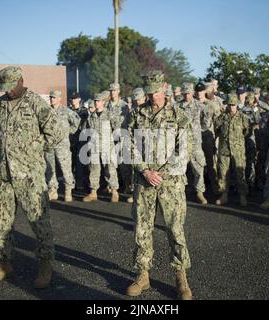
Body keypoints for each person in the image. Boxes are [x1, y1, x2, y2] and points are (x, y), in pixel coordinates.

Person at [0, 66, 63, 289]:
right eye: (5, 88)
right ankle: (4, 264)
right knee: (1, 223)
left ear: (21, 81)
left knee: (39, 221)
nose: (9, 92)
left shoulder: (34, 102)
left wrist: (34, 148)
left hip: (29, 176)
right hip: (2, 175)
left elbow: (56, 132)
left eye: (12, 87)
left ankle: (45, 265)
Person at [126, 70, 193, 300]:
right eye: (149, 92)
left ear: (164, 87)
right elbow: (128, 144)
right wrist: (145, 170)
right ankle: (142, 275)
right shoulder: (137, 115)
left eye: (156, 91)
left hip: (170, 184)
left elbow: (184, 151)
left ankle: (180, 276)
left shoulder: (179, 115)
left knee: (175, 229)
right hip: (144, 183)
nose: (153, 95)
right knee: (142, 229)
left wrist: (160, 174)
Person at [82, 93, 120, 203]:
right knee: (93, 170)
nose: (96, 103)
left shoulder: (109, 114)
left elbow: (117, 129)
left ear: (103, 102)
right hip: (94, 147)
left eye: (98, 101)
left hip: (107, 147)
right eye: (95, 101)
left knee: (110, 170)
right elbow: (86, 130)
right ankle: (93, 192)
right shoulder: (91, 116)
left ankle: (114, 192)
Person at [214, 93, 250, 207]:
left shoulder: (243, 118)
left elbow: (247, 133)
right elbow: (216, 130)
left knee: (240, 173)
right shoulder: (221, 118)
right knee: (223, 173)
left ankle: (242, 195)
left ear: (237, 105)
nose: (231, 107)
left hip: (238, 151)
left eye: (233, 105)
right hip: (224, 150)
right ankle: (224, 195)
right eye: (229, 105)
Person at [45, 90, 80, 202]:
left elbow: (77, 121)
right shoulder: (47, 111)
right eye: (51, 97)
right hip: (50, 144)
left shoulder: (66, 111)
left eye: (54, 98)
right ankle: (53, 190)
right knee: (50, 169)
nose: (52, 99)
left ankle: (68, 190)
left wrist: (69, 132)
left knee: (66, 168)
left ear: (59, 99)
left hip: (62, 145)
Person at [179, 82, 209, 204]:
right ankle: (181, 190)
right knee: (180, 168)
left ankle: (199, 192)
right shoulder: (177, 106)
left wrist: (197, 131)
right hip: (182, 143)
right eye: (184, 93)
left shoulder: (200, 106)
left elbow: (206, 122)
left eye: (188, 93)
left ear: (193, 93)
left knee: (199, 167)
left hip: (196, 142)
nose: (186, 95)